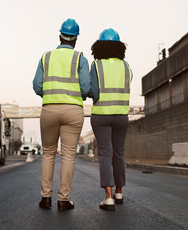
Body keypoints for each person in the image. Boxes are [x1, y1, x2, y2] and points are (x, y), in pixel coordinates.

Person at [32, 18, 90, 211]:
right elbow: (85, 88)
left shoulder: (46, 57)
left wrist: (49, 94)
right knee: (68, 156)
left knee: (48, 154)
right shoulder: (80, 58)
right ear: (75, 40)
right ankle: (64, 200)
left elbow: (37, 86)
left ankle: (45, 198)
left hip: (49, 109)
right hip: (73, 110)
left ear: (60, 36)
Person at [89, 28, 132, 211]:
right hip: (121, 114)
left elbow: (93, 91)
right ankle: (119, 192)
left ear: (99, 47)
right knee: (119, 153)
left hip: (101, 115)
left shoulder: (96, 65)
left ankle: (108, 198)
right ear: (119, 47)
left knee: (105, 154)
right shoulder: (126, 66)